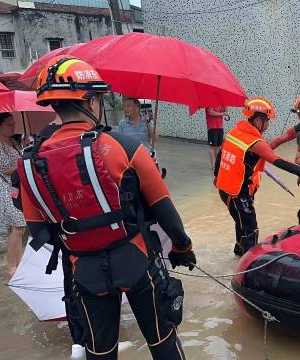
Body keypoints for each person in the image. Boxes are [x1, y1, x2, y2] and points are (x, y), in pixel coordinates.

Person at [18, 56, 195, 360]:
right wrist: (183, 247)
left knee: (100, 353)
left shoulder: (29, 163)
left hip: (84, 271)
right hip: (137, 261)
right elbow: (165, 210)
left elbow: (38, 230)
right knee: (163, 342)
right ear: (91, 99)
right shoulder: (122, 146)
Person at [214, 97, 300, 256]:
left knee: (241, 225)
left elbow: (220, 156)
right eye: (266, 121)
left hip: (225, 188)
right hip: (237, 193)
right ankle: (248, 269)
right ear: (257, 119)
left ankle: (238, 257)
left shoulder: (235, 132)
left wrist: (216, 177)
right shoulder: (254, 141)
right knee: (251, 230)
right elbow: (279, 161)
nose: (267, 125)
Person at [0, 112, 26, 276]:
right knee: (18, 227)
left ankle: (16, 263)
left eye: (13, 124)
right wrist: (23, 163)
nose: (13, 127)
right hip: (8, 191)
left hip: (17, 189)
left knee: (16, 229)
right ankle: (11, 266)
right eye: (9, 124)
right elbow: (4, 169)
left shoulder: (14, 142)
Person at [205, 106, 228, 171]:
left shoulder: (220, 103)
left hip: (220, 127)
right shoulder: (209, 102)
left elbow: (226, 111)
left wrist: (225, 104)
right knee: (212, 147)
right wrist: (222, 114)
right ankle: (213, 165)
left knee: (218, 147)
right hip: (212, 127)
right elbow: (211, 112)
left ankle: (218, 164)